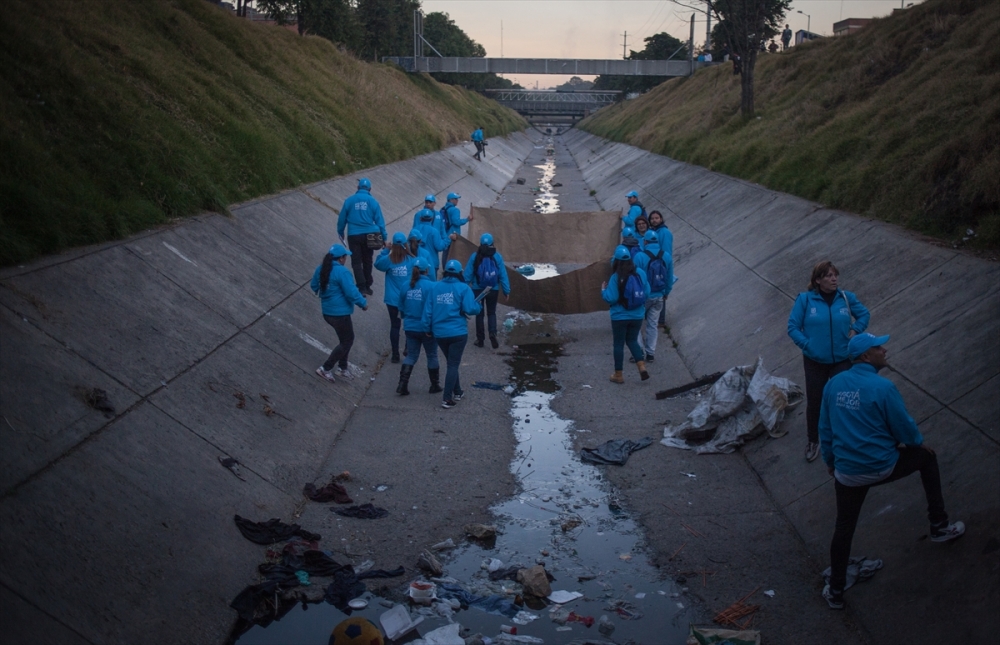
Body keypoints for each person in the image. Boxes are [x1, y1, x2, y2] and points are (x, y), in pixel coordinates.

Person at [819, 332, 965, 610]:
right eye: (878, 348)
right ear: (866, 356)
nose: (884, 350)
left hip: (847, 473)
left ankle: (836, 591)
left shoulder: (833, 385)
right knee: (926, 458)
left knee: (843, 527)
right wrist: (918, 445)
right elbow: (905, 429)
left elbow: (825, 429)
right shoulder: (883, 388)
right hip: (881, 466)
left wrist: (830, 461)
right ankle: (939, 526)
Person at [788, 261, 870, 463]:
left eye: (835, 275)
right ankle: (813, 440)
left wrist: (856, 330)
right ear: (818, 280)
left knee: (846, 400)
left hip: (842, 359)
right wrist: (808, 345)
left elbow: (864, 314)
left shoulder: (846, 298)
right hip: (815, 360)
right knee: (815, 401)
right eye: (828, 276)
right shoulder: (806, 300)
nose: (834, 279)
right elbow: (793, 327)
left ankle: (850, 440)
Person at [422, 259, 481, 409]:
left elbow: (428, 311)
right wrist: (478, 306)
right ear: (460, 273)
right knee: (453, 365)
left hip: (440, 334)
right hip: (458, 332)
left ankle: (458, 391)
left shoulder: (435, 287)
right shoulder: (463, 288)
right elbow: (470, 309)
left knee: (451, 363)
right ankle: (447, 398)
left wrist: (427, 329)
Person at [311, 244, 368, 382]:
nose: (346, 259)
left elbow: (314, 286)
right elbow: (351, 292)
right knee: (347, 340)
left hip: (328, 312)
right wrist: (363, 303)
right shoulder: (342, 272)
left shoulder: (321, 269)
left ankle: (343, 368)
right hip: (340, 314)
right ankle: (326, 368)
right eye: (345, 256)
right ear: (341, 258)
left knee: (345, 340)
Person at [602, 245, 651, 384]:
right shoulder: (640, 273)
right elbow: (646, 293)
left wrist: (603, 291)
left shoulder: (615, 277)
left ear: (616, 261)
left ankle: (618, 375)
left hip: (619, 316)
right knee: (632, 341)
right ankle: (641, 367)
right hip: (637, 315)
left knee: (618, 344)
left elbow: (611, 298)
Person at [395, 257, 441, 396]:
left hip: (410, 327)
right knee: (432, 355)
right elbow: (436, 309)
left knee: (411, 356)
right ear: (427, 270)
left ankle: (402, 385)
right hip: (427, 328)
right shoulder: (432, 286)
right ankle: (434, 385)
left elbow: (401, 306)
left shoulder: (405, 285)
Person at [337, 178, 387, 296]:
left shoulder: (349, 201)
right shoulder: (373, 202)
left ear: (358, 188)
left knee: (356, 262)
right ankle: (368, 285)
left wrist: (340, 231)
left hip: (354, 234)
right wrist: (384, 238)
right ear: (370, 189)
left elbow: (341, 219)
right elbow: (380, 222)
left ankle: (361, 287)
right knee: (368, 259)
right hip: (370, 234)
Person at [463, 232, 511, 349]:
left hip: (477, 289)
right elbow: (503, 275)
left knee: (479, 314)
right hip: (492, 289)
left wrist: (462, 289)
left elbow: (468, 274)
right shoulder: (497, 256)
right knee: (491, 312)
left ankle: (480, 340)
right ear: (492, 243)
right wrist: (506, 290)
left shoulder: (475, 256)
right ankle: (492, 333)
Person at [373, 232, 414, 364]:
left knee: (395, 326)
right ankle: (408, 348)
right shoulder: (411, 261)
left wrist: (386, 250)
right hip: (407, 299)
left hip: (392, 300)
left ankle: (395, 354)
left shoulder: (389, 261)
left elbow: (377, 263)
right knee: (408, 324)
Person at [633, 230, 673, 363]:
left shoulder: (639, 256)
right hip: (659, 297)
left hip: (643, 297)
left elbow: (635, 278)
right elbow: (669, 278)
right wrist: (666, 292)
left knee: (636, 325)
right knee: (652, 324)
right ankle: (650, 353)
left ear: (645, 241)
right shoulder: (666, 256)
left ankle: (639, 352)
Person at [648, 210, 674, 331]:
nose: (654, 220)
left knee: (661, 291)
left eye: (657, 218)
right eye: (652, 218)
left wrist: (664, 264)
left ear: (661, 219)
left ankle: (661, 320)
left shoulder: (664, 232)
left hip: (661, 264)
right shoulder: (655, 231)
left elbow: (666, 250)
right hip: (656, 263)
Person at [440, 192, 472, 265]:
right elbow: (456, 222)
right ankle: (449, 268)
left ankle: (444, 268)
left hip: (446, 233)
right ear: (451, 200)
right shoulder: (455, 210)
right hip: (453, 233)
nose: (457, 200)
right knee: (452, 253)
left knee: (445, 252)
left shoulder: (444, 209)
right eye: (456, 199)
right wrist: (467, 219)